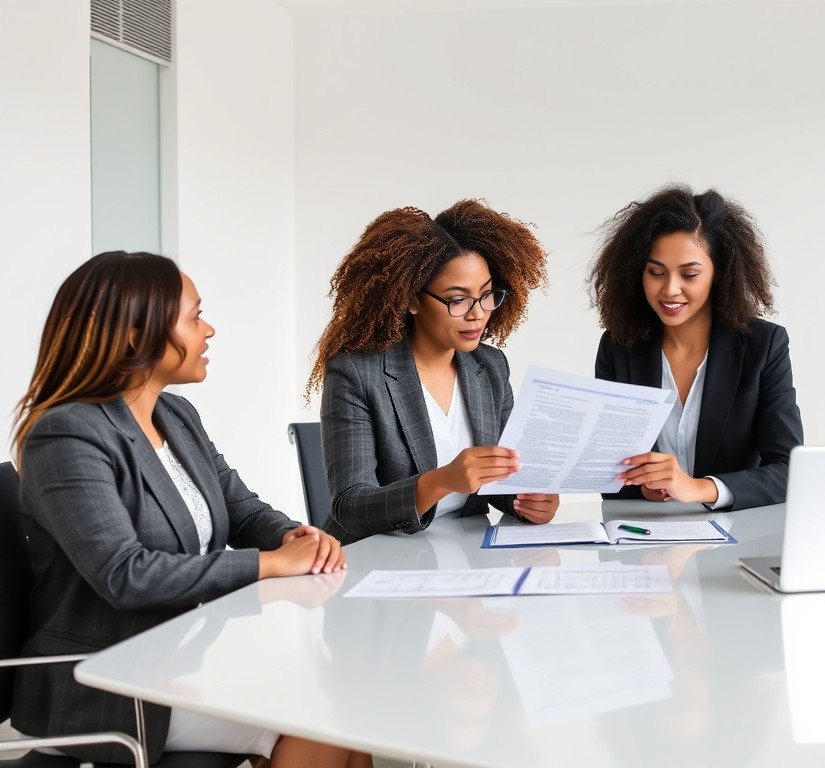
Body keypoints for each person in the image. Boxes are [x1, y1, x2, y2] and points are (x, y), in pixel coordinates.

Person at [10, 251, 366, 767]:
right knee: (324, 718)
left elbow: (241, 509)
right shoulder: (66, 433)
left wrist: (294, 538)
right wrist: (270, 565)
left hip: (183, 654)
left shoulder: (175, 415)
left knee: (342, 696)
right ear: (136, 336)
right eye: (195, 317)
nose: (210, 330)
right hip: (108, 679)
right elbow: (124, 575)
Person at [309, 203, 555, 544]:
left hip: (467, 548)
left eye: (486, 296)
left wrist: (523, 501)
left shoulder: (490, 367)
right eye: (458, 300)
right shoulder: (357, 373)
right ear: (411, 299)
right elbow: (350, 506)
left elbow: (493, 482)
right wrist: (442, 480)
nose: (478, 315)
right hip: (379, 560)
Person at [587, 185, 803, 509]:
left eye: (689, 274)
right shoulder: (618, 347)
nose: (670, 289)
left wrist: (699, 489)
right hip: (646, 542)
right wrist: (643, 488)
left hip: (738, 539)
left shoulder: (764, 346)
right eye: (656, 272)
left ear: (719, 273)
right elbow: (611, 474)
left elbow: (790, 472)